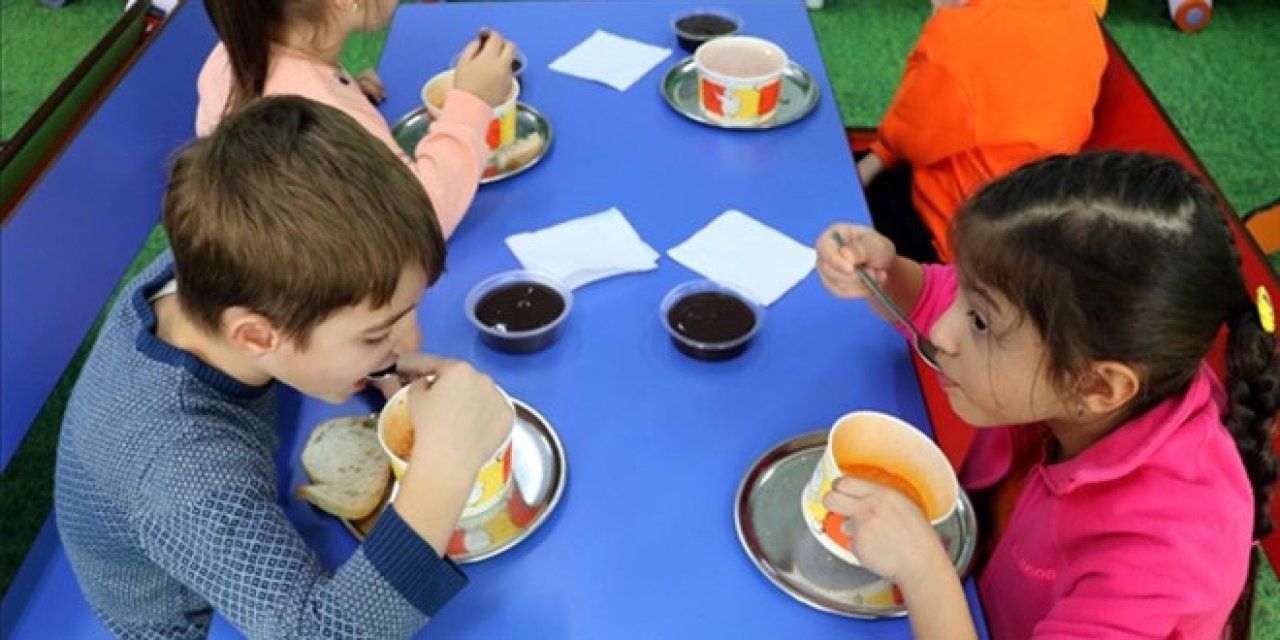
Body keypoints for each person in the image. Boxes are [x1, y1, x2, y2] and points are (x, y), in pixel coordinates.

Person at [55, 96, 514, 638]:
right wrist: (447, 462)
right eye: (378, 331)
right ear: (255, 335)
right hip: (188, 619)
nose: (411, 340)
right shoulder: (182, 476)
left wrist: (378, 362)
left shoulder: (223, 266)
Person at [815, 152, 1277, 638]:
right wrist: (887, 275)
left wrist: (926, 573)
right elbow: (940, 292)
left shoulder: (1165, 554)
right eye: (965, 299)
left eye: (978, 321)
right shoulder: (1094, 363)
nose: (943, 334)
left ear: (1098, 386)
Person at [196, 0, 517, 238]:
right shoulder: (321, 116)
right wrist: (472, 103)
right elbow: (422, 219)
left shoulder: (229, 55)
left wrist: (346, 88)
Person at [860, 0, 1106, 262]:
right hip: (1028, 232)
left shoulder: (962, 38)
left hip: (951, 238)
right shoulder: (1080, 14)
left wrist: (940, 22)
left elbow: (910, 138)